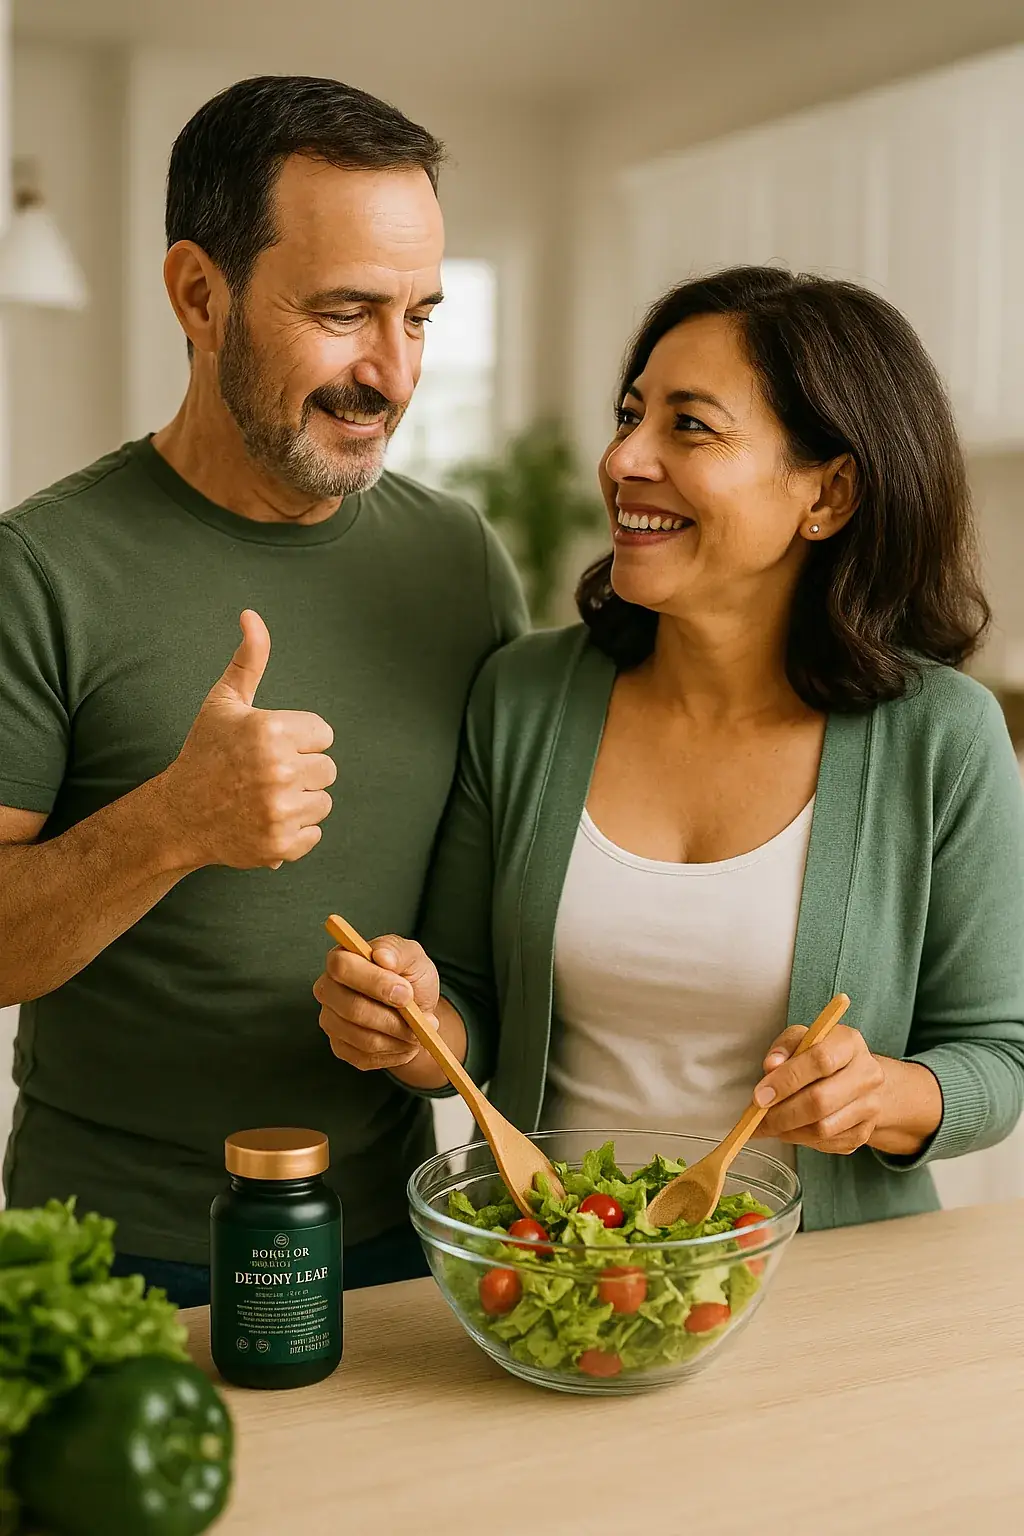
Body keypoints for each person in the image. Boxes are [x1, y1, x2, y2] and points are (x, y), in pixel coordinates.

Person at [317, 266, 1024, 1229]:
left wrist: (885, 1096)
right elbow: (474, 1008)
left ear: (831, 491)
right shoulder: (525, 698)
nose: (623, 460)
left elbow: (999, 1056)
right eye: (629, 414)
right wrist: (413, 1031)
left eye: (690, 425)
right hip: (560, 1278)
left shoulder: (942, 734)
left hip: (830, 1295)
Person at [0, 76, 527, 1304]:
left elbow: (494, 948)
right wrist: (173, 824)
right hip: (102, 1256)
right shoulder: (39, 570)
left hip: (393, 1251)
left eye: (419, 317)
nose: (391, 375)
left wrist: (427, 1031)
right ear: (200, 293)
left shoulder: (460, 564)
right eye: (345, 312)